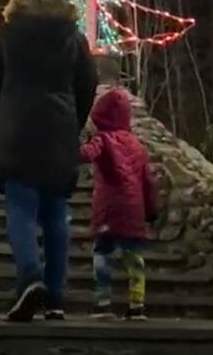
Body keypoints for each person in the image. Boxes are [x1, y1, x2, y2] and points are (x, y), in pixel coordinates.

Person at [0, 0, 98, 322]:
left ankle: (30, 276)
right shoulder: (73, 38)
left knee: (21, 206)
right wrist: (72, 121)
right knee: (56, 213)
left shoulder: (6, 34)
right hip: (58, 130)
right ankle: (56, 297)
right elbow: (87, 83)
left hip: (15, 128)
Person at [80, 88, 157, 321]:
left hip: (109, 209)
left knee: (103, 252)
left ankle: (103, 302)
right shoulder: (137, 146)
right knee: (134, 256)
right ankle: (137, 304)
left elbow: (86, 154)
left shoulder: (103, 139)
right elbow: (148, 182)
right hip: (134, 210)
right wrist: (151, 211)